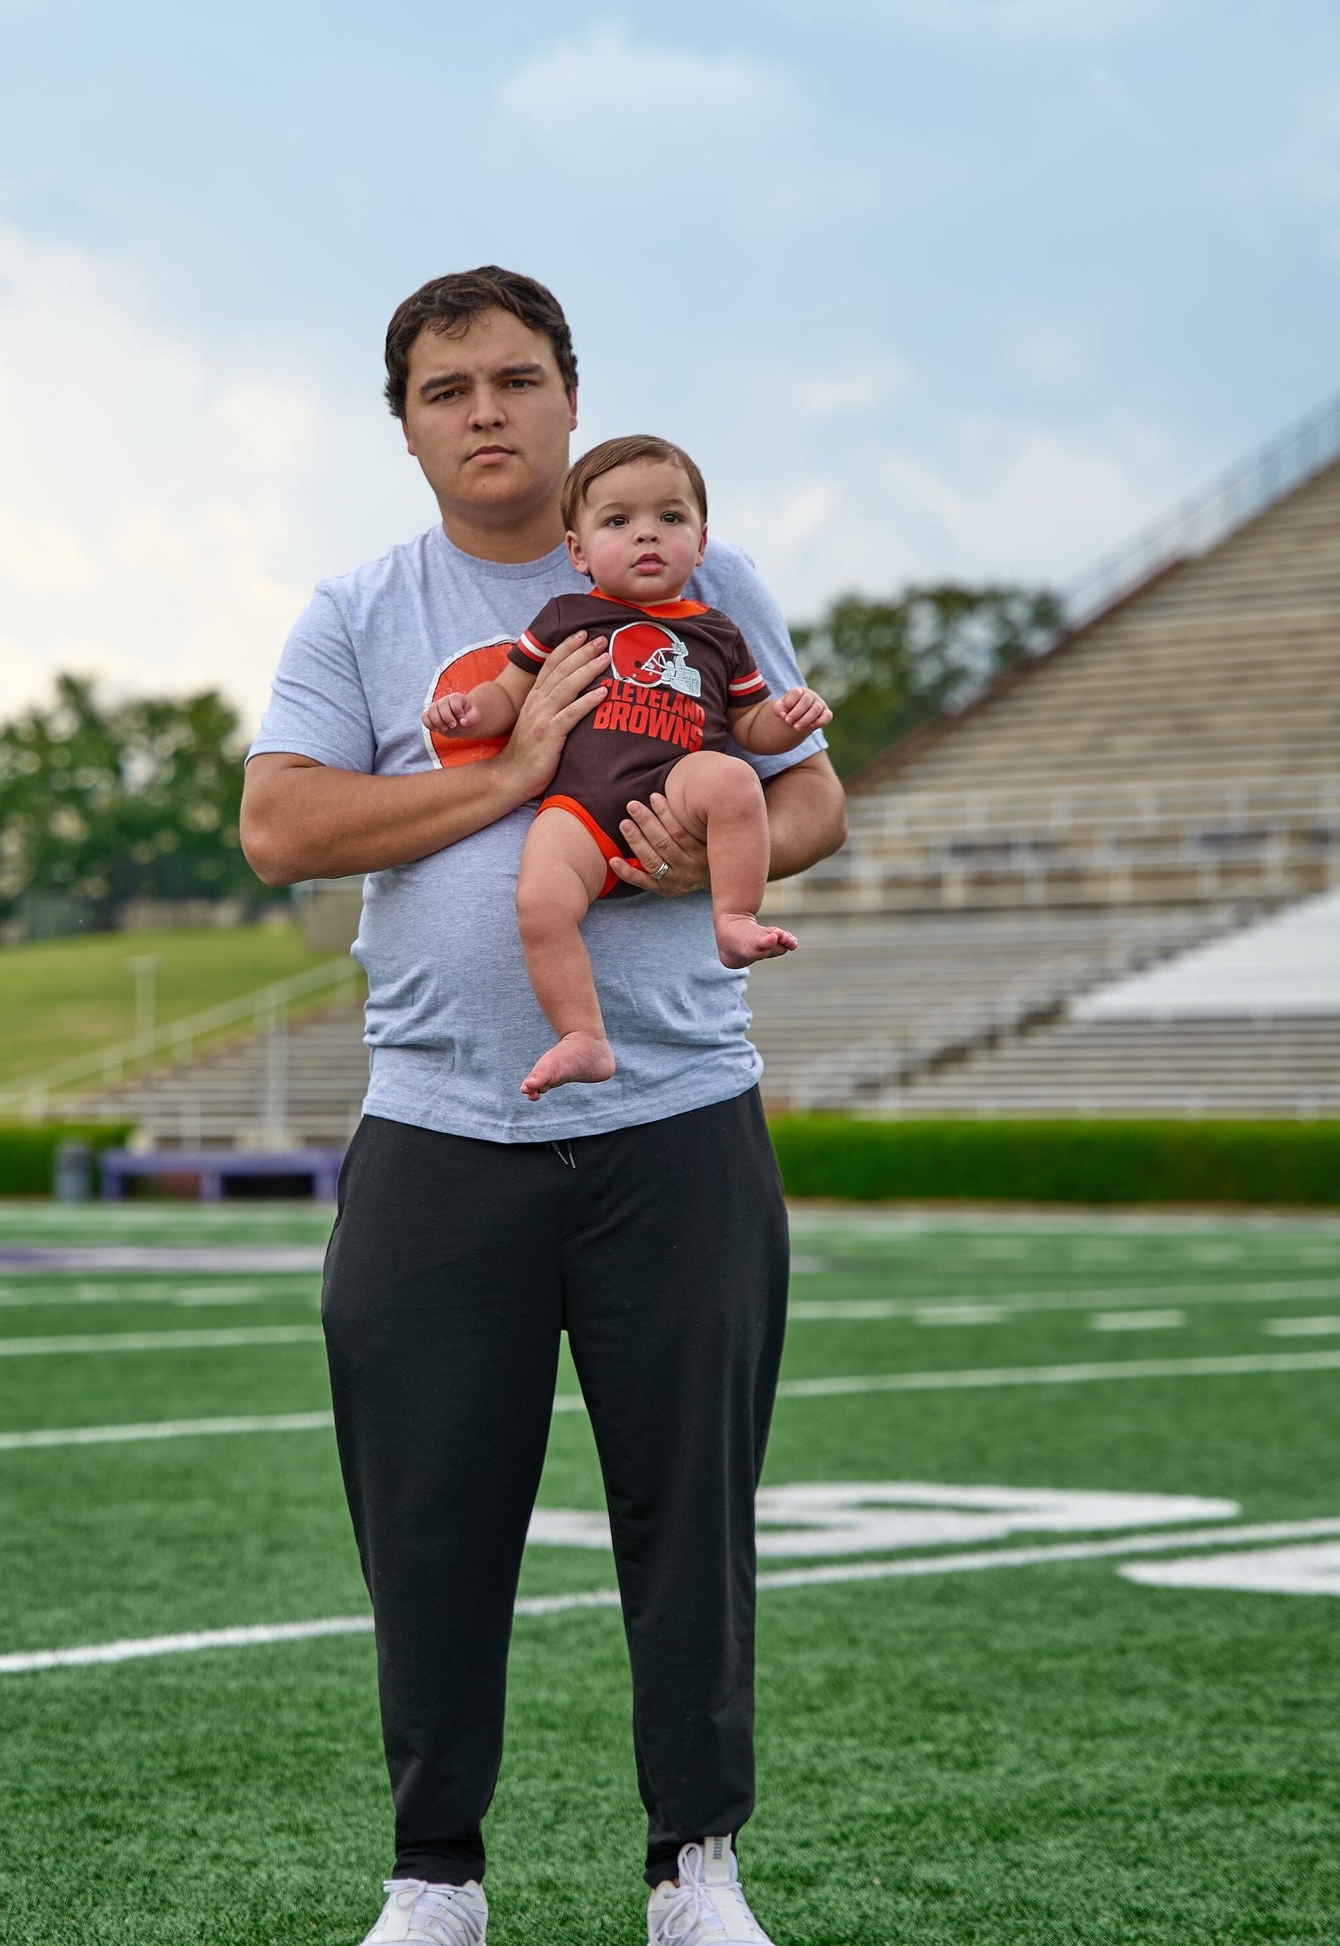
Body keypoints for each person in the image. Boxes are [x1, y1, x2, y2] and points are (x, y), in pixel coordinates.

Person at [239, 266, 847, 1946]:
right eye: (449, 390)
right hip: (440, 1126)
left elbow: (815, 805)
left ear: (573, 399)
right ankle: (435, 1876)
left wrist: (708, 841)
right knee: (428, 1516)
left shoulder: (698, 574)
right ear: (410, 427)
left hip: (675, 1115)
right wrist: (511, 782)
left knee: (693, 1509)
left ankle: (696, 1868)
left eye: (516, 378)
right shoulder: (361, 611)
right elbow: (281, 829)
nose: (487, 411)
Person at [420, 432, 834, 1101]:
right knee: (538, 902)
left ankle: (733, 920)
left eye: (670, 518)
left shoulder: (718, 632)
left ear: (701, 545)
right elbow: (508, 694)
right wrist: (469, 711)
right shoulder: (565, 617)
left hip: (677, 788)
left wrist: (787, 717)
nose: (648, 536)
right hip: (580, 805)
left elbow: (753, 728)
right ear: (578, 551)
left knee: (732, 779)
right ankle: (583, 1036)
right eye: (619, 521)